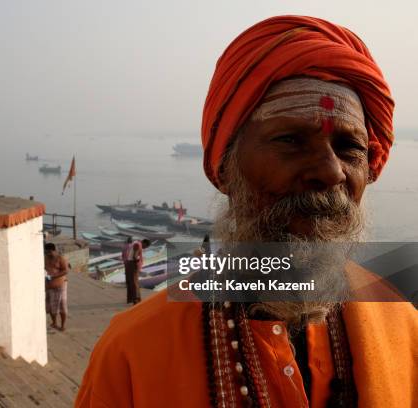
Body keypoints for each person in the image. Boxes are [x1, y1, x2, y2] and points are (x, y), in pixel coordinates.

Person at [76, 16, 417, 408]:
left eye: (349, 147)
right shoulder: (131, 355)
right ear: (226, 168)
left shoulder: (405, 328)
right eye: (290, 140)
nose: (330, 170)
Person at [44, 243, 69, 331]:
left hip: (60, 286)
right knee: (50, 306)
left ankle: (63, 325)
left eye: (49, 252)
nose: (48, 254)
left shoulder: (60, 258)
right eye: (46, 252)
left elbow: (66, 270)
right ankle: (54, 323)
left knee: (62, 306)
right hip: (48, 286)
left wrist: (54, 276)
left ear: (54, 250)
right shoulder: (45, 258)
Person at [124, 239, 151, 305]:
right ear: (144, 243)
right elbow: (134, 257)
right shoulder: (137, 245)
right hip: (132, 264)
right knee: (134, 282)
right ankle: (135, 299)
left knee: (132, 282)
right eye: (146, 246)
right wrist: (138, 261)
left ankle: (134, 298)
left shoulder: (136, 243)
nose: (144, 248)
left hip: (129, 263)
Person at [121, 236, 133, 302]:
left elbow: (122, 255)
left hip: (126, 262)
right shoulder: (132, 246)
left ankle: (127, 284)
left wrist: (124, 260)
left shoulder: (124, 247)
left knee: (127, 274)